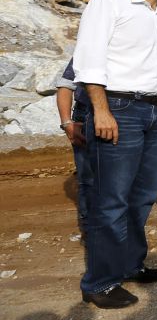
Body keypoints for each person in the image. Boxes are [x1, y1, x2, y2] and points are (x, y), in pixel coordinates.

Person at [73, 0, 157, 309]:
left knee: (143, 196)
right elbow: (89, 58)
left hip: (155, 111)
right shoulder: (109, 2)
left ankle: (132, 264)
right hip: (120, 107)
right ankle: (100, 282)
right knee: (112, 200)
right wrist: (101, 111)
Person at [55, 58, 91, 232]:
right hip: (85, 114)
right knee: (88, 178)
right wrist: (67, 123)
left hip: (126, 116)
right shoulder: (89, 44)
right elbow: (65, 85)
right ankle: (91, 229)